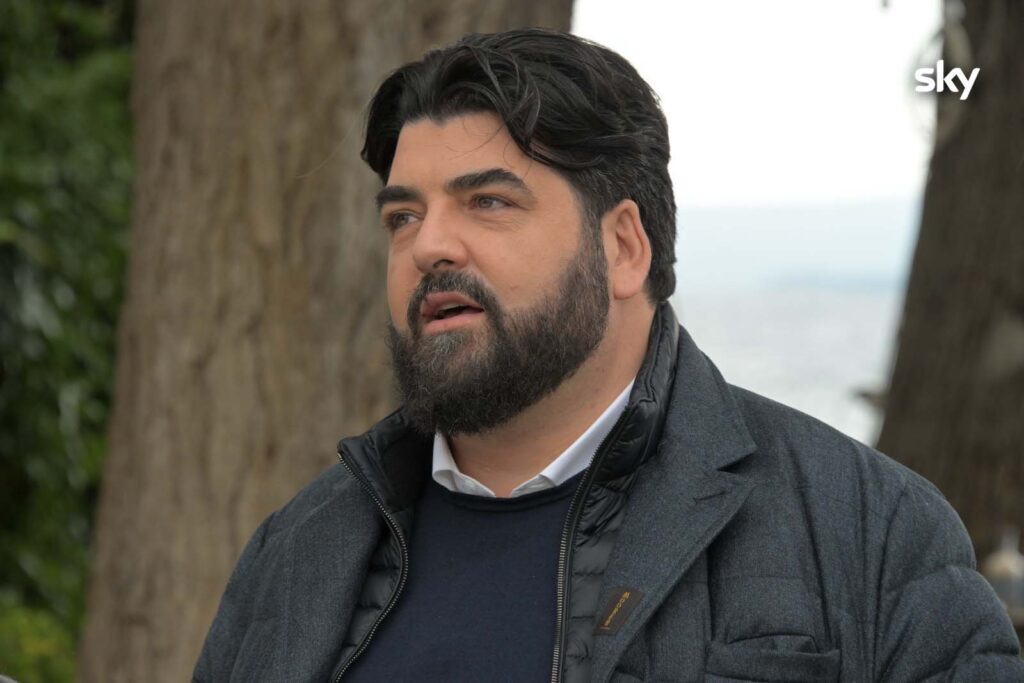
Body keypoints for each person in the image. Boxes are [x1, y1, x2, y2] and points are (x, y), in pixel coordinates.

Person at [193, 28, 1023, 682]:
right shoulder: (297, 552)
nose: (428, 245)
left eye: (488, 201)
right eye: (402, 217)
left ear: (624, 246)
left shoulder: (868, 531)